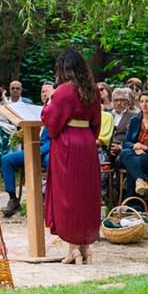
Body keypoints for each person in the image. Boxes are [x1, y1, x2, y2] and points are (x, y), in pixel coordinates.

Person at [41, 49, 102, 264]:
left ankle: (74, 249)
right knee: (85, 194)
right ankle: (84, 248)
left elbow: (51, 121)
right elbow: (97, 124)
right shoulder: (92, 90)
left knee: (68, 195)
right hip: (86, 143)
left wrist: (48, 101)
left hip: (67, 143)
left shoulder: (62, 91)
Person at [0, 81, 53, 217]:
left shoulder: (55, 111)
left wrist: (40, 151)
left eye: (47, 91)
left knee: (53, 163)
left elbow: (54, 138)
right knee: (7, 159)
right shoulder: (35, 111)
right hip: (32, 147)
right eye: (42, 91)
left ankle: (49, 199)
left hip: (47, 151)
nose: (44, 94)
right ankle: (13, 198)